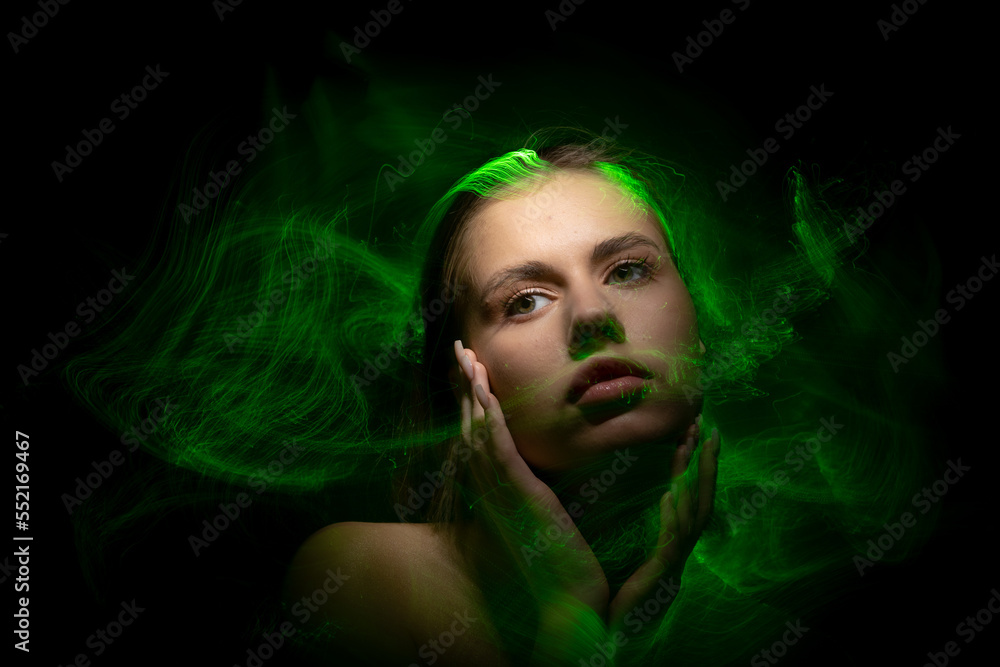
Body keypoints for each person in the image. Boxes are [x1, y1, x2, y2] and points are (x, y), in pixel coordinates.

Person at [282, 147, 722, 665]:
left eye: (626, 271)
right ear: (468, 379)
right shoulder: (364, 579)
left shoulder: (782, 580)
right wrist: (571, 616)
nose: (593, 315)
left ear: (697, 327)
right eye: (526, 301)